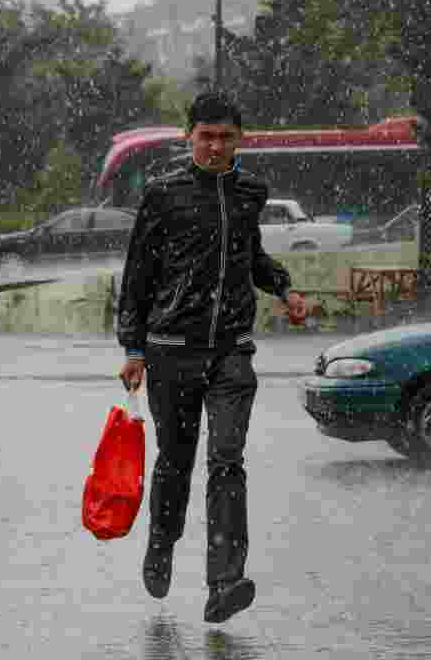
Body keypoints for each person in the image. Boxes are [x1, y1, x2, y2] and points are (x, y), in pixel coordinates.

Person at [116, 91, 306, 624]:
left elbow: (252, 256)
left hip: (231, 353)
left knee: (227, 461)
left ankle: (224, 580)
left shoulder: (249, 192)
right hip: (171, 351)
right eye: (206, 136)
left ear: (239, 139)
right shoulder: (163, 194)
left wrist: (284, 289)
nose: (216, 146)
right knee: (175, 461)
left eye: (226, 137)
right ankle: (161, 541)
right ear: (189, 137)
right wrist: (133, 347)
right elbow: (137, 275)